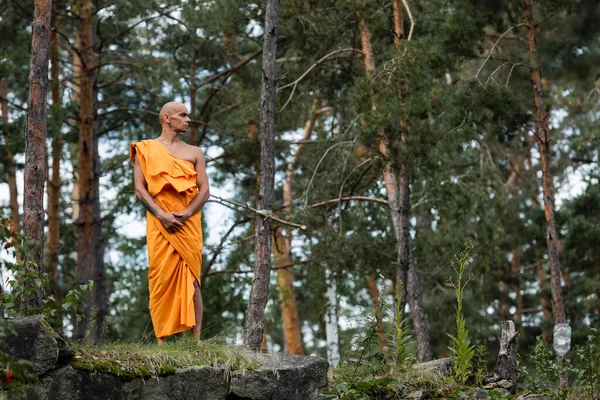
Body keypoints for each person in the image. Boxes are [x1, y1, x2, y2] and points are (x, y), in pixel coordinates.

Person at [130, 102, 210, 345]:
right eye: (182, 115)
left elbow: (204, 190)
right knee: (161, 276)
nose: (188, 120)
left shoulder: (195, 152)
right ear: (166, 118)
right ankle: (162, 342)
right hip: (159, 223)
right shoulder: (145, 149)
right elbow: (140, 190)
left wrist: (185, 214)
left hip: (188, 224)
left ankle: (195, 341)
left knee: (193, 280)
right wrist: (161, 214)